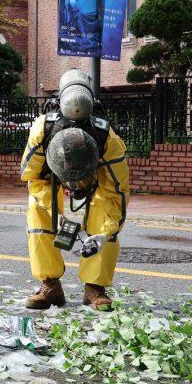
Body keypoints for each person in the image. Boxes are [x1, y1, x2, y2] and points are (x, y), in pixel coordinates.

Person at [20, 69, 129, 311]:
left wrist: (105, 234)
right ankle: (50, 285)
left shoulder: (108, 140)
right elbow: (32, 177)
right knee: (37, 212)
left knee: (104, 211)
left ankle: (95, 287)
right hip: (50, 180)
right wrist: (56, 212)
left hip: (96, 179)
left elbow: (117, 194)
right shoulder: (42, 131)